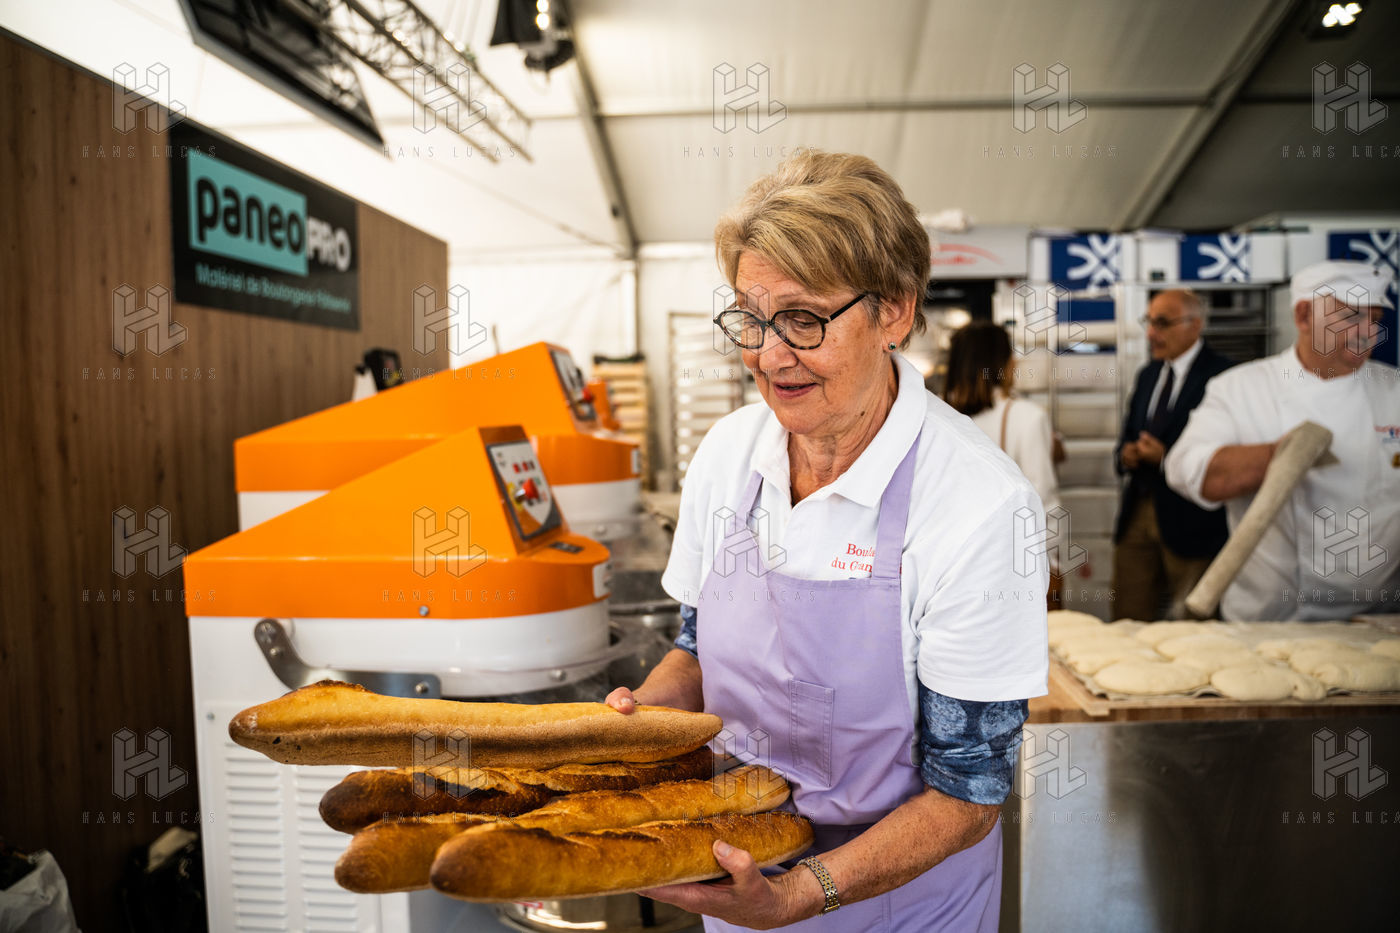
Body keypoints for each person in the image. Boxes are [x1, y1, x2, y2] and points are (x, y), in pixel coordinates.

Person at [605, 151, 1048, 931]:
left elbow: (967, 792)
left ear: (895, 312)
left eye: (804, 320)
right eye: (751, 317)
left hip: (902, 902)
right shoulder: (729, 454)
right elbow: (698, 647)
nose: (769, 355)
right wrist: (646, 715)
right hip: (739, 871)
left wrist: (798, 895)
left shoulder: (978, 504)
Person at [1164, 261, 1400, 621]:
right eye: (1351, 316)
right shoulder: (1240, 389)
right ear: (1304, 316)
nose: (1369, 332)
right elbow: (1187, 470)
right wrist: (1281, 455)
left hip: (1376, 619)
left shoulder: (1394, 392)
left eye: (1375, 318)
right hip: (1267, 618)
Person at [1111, 289, 1234, 620]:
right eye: (1149, 322)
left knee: (1194, 622)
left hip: (1193, 521)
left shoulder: (1223, 377)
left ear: (1195, 324)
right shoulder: (1148, 374)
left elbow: (1226, 452)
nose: (1152, 333)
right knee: (1127, 617)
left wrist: (1166, 458)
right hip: (1137, 512)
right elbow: (1128, 434)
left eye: (1162, 323)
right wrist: (1126, 455)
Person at [942, 322, 1060, 517]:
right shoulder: (1029, 417)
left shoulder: (933, 415)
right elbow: (1043, 503)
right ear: (1003, 364)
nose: (1015, 361)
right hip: (1010, 534)